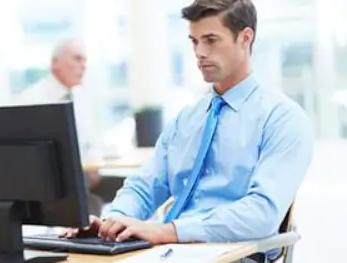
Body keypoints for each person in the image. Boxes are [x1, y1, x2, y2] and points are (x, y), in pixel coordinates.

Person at [63, 0, 314, 258]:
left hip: (234, 254)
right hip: (169, 250)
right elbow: (144, 186)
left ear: (245, 38)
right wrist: (112, 223)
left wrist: (168, 231)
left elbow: (261, 214)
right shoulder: (187, 119)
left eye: (211, 40)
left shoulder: (283, 119)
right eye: (194, 41)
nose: (200, 52)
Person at [15, 38, 103, 216]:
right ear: (55, 63)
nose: (83, 66)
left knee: (129, 186)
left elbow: (91, 140)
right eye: (77, 59)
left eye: (85, 60)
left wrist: (93, 165)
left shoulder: (81, 97)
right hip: (51, 180)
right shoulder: (33, 99)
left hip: (84, 174)